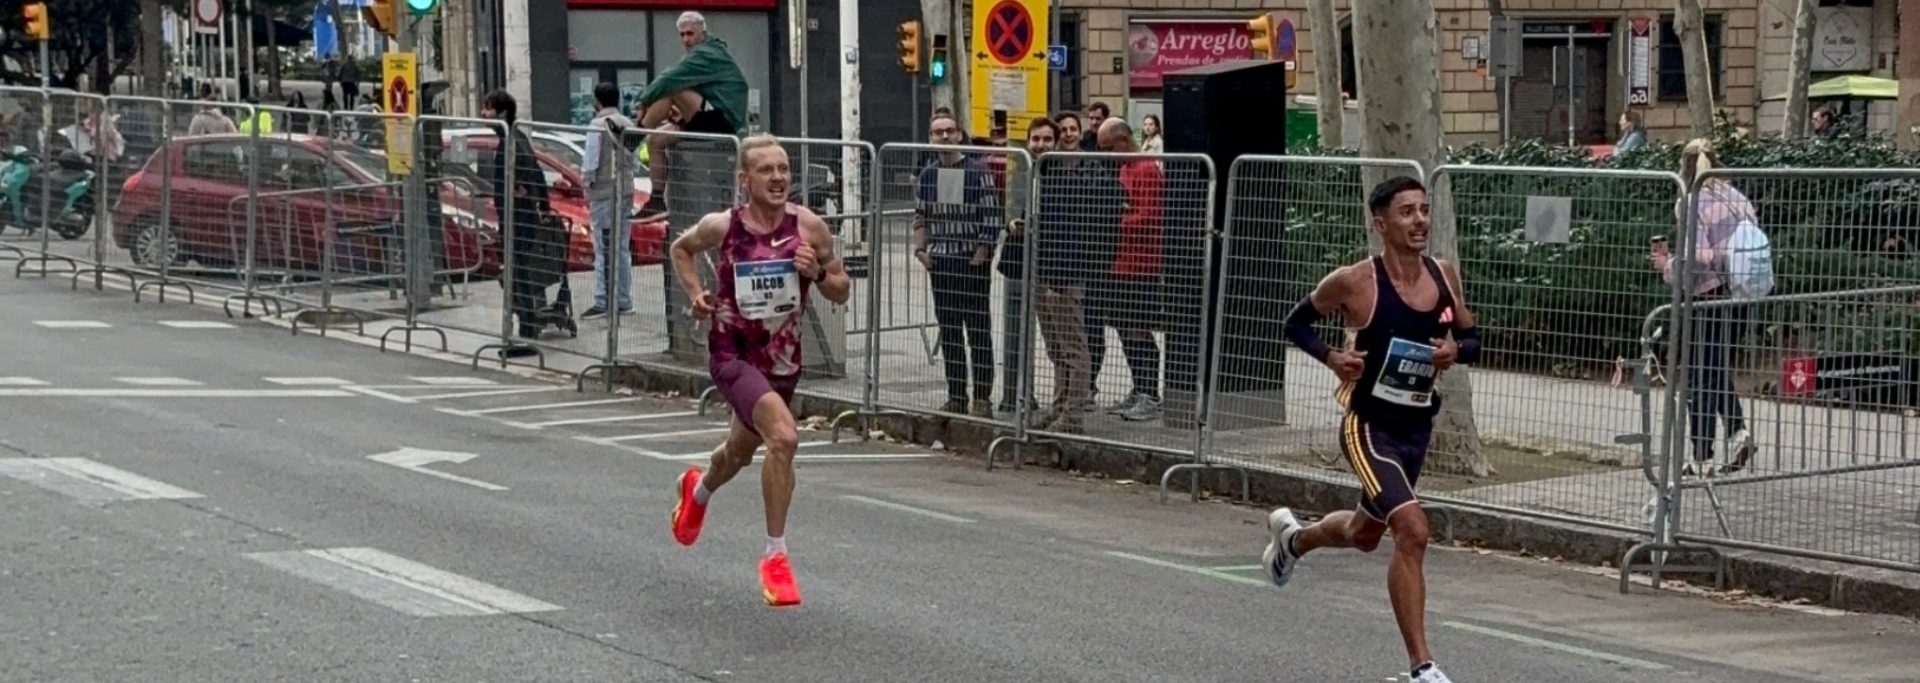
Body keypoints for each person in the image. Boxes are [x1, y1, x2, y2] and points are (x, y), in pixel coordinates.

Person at [1263, 176, 1481, 683]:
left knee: (1365, 535)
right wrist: (1332, 357)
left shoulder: (1444, 276)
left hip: (1416, 429)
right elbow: (1295, 324)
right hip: (1367, 428)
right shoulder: (1354, 281)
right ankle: (1422, 668)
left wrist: (1455, 351)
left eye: (1424, 210)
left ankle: (1294, 541)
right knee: (1413, 530)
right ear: (1381, 224)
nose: (1419, 221)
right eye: (1407, 212)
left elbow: (1472, 338)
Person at [666, 134, 853, 607]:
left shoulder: (809, 227)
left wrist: (815, 273)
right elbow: (680, 249)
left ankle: (697, 492)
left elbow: (841, 288)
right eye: (766, 170)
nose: (777, 177)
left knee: (737, 453)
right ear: (744, 179)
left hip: (782, 362)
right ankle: (775, 556)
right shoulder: (723, 225)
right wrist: (695, 294)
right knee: (784, 439)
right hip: (733, 354)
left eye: (783, 168)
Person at [1654, 139, 1755, 477]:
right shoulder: (1737, 198)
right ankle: (1738, 433)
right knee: (1713, 368)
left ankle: (1703, 457)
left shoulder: (1691, 201)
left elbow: (1699, 257)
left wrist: (1668, 266)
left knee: (1697, 375)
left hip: (1708, 295)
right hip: (1742, 293)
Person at [912, 113, 1001, 417]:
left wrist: (981, 253)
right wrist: (921, 250)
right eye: (938, 132)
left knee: (978, 331)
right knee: (949, 332)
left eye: (950, 130)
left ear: (960, 134)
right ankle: (956, 397)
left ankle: (982, 398)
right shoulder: (928, 175)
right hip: (941, 262)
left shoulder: (978, 172)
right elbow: (921, 215)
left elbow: (992, 215)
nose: (945, 136)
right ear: (930, 138)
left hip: (971, 262)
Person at [633, 11, 751, 221]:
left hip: (723, 123)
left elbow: (669, 77)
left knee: (671, 89)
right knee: (656, 140)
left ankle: (634, 136)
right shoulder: (704, 55)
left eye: (690, 34)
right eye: (682, 35)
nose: (686, 39)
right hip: (710, 117)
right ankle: (657, 200)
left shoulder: (709, 54)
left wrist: (643, 101)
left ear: (702, 34)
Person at [480, 89, 572, 357]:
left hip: (518, 220)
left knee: (519, 274)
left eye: (488, 108)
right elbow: (534, 176)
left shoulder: (512, 141)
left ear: (502, 112)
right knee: (519, 273)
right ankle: (525, 329)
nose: (483, 114)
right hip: (518, 218)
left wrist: (525, 195)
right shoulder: (514, 138)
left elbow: (527, 177)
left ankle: (526, 332)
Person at [1087, 117, 1165, 422]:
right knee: (1124, 326)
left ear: (1123, 140)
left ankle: (1150, 393)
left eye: (1109, 148)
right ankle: (1139, 387)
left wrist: (1114, 222)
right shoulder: (1125, 168)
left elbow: (1150, 215)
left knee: (1137, 327)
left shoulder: (1145, 169)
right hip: (1120, 262)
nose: (1107, 155)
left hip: (1141, 263)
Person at [994, 117, 1055, 415]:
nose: (1040, 145)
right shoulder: (1019, 168)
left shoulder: (1062, 172)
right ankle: (1017, 396)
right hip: (1019, 257)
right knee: (1017, 330)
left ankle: (1063, 404)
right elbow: (1003, 207)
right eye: (1036, 139)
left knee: (1056, 337)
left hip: (1053, 263)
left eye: (1047, 139)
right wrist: (1010, 224)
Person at [580, 82, 639, 320]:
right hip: (626, 190)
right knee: (622, 247)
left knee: (603, 247)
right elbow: (635, 162)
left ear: (596, 100)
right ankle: (624, 300)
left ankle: (602, 301)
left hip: (604, 191)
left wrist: (587, 185)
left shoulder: (597, 125)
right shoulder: (628, 124)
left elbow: (591, 161)